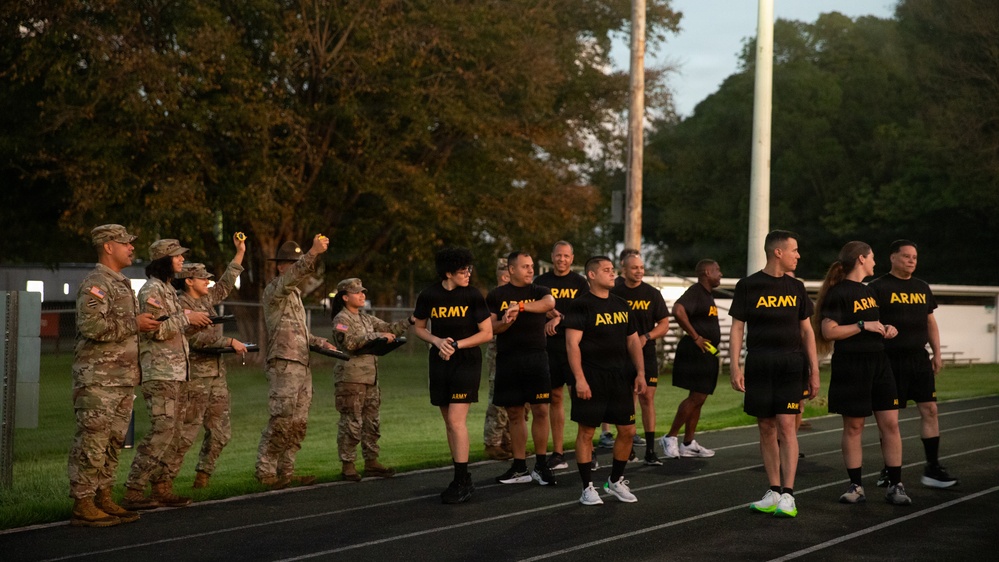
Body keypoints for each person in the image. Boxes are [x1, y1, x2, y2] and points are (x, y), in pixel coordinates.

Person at [67, 224, 160, 527]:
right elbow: (91, 327)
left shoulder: (119, 283)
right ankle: (82, 502)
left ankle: (102, 496)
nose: (132, 248)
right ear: (108, 246)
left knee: (112, 442)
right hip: (98, 380)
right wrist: (135, 323)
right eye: (126, 243)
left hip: (120, 379)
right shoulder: (96, 283)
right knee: (92, 442)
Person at [729, 230, 819, 518]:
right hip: (759, 364)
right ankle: (774, 490)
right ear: (777, 252)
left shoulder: (797, 287)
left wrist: (814, 370)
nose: (798, 255)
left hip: (791, 365)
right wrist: (734, 364)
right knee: (766, 427)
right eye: (794, 250)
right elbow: (737, 328)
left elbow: (807, 330)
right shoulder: (748, 285)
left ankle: (789, 495)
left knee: (786, 426)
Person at [814, 241, 911, 506]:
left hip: (879, 362)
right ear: (860, 259)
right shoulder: (838, 292)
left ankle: (896, 484)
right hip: (852, 365)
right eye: (872, 258)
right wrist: (861, 325)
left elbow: (872, 324)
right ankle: (856, 486)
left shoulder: (870, 291)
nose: (875, 263)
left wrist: (886, 328)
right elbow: (829, 331)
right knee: (854, 426)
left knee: (890, 424)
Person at [123, 239, 212, 510]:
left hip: (177, 371)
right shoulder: (151, 290)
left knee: (174, 432)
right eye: (177, 256)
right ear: (163, 259)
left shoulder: (168, 291)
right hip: (160, 372)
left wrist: (194, 324)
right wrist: (187, 318)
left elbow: (174, 330)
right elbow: (155, 329)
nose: (182, 260)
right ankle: (134, 488)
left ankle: (162, 486)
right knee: (162, 430)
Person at [869, 240, 956, 489]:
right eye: (906, 256)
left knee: (930, 410)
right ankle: (889, 468)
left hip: (918, 359)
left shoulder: (922, 287)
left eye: (915, 257)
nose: (911, 261)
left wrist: (937, 352)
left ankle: (932, 467)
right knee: (890, 420)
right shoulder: (878, 287)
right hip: (889, 361)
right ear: (892, 258)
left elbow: (930, 322)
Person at [565, 256, 647, 505]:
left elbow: (633, 340)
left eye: (613, 270)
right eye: (607, 271)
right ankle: (587, 487)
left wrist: (641, 372)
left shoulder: (622, 305)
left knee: (628, 431)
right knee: (587, 432)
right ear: (591, 275)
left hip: (620, 376)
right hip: (591, 377)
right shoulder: (581, 305)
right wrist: (579, 379)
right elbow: (572, 344)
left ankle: (615, 481)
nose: (612, 274)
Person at [256, 235, 336, 490]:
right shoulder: (275, 290)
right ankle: (265, 471)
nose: (297, 267)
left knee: (298, 423)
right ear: (280, 266)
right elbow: (294, 277)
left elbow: (297, 333)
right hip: (284, 363)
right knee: (281, 419)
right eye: (292, 262)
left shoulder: (296, 297)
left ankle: (286, 472)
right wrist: (313, 252)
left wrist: (318, 341)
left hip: (301, 363)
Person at [413, 247, 493, 503]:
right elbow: (419, 327)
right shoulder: (429, 295)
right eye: (462, 271)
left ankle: (462, 479)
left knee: (457, 420)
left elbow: (487, 333)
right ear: (448, 272)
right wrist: (437, 341)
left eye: (469, 269)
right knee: (449, 422)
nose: (468, 274)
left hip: (466, 362)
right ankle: (461, 477)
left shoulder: (473, 295)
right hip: (439, 361)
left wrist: (456, 344)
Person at [171, 232, 246, 490]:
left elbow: (225, 285)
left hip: (216, 376)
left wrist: (239, 253)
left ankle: (202, 477)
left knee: (221, 432)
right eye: (204, 279)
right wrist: (228, 342)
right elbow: (193, 341)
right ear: (189, 280)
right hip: (195, 379)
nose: (209, 282)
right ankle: (162, 482)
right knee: (185, 434)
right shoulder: (181, 305)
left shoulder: (206, 299)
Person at [330, 277, 412, 482]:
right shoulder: (341, 319)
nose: (362, 295)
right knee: (351, 423)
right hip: (351, 378)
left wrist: (410, 321)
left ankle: (371, 462)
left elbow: (389, 329)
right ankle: (348, 464)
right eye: (357, 292)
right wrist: (376, 337)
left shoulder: (366, 318)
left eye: (363, 291)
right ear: (345, 297)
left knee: (371, 422)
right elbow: (348, 343)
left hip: (370, 378)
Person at [486, 251, 558, 486]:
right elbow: (491, 327)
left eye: (531, 266)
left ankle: (541, 464)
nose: (530, 270)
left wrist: (521, 307)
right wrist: (506, 322)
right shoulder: (497, 295)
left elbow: (550, 303)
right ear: (511, 270)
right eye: (525, 266)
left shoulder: (538, 290)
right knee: (515, 414)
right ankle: (519, 467)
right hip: (508, 360)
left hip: (536, 358)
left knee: (540, 411)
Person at [610, 249, 671, 465]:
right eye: (634, 268)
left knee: (647, 398)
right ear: (623, 270)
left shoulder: (652, 293)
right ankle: (626, 447)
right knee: (626, 400)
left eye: (641, 268)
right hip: (621, 356)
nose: (639, 271)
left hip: (646, 353)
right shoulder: (615, 293)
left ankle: (651, 451)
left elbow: (664, 323)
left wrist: (647, 336)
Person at [534, 241, 590, 471]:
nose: (562, 260)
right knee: (554, 398)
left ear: (572, 257)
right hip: (550, 349)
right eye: (558, 255)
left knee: (579, 395)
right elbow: (531, 309)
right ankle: (558, 452)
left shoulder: (580, 283)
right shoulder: (541, 282)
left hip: (574, 347)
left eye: (566, 256)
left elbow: (587, 314)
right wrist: (544, 311)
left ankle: (587, 450)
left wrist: (560, 318)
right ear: (552, 256)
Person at [661, 259, 722, 459]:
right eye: (717, 270)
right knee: (696, 397)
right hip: (697, 352)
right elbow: (678, 310)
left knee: (700, 398)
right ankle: (670, 437)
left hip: (707, 352)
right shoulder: (696, 291)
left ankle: (688, 442)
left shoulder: (706, 294)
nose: (720, 274)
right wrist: (696, 337)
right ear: (706, 272)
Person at [483, 259, 513, 461]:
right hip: (498, 352)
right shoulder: (495, 298)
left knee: (515, 399)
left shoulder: (518, 295)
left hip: (516, 353)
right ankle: (493, 443)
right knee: (498, 398)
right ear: (505, 276)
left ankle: (509, 441)